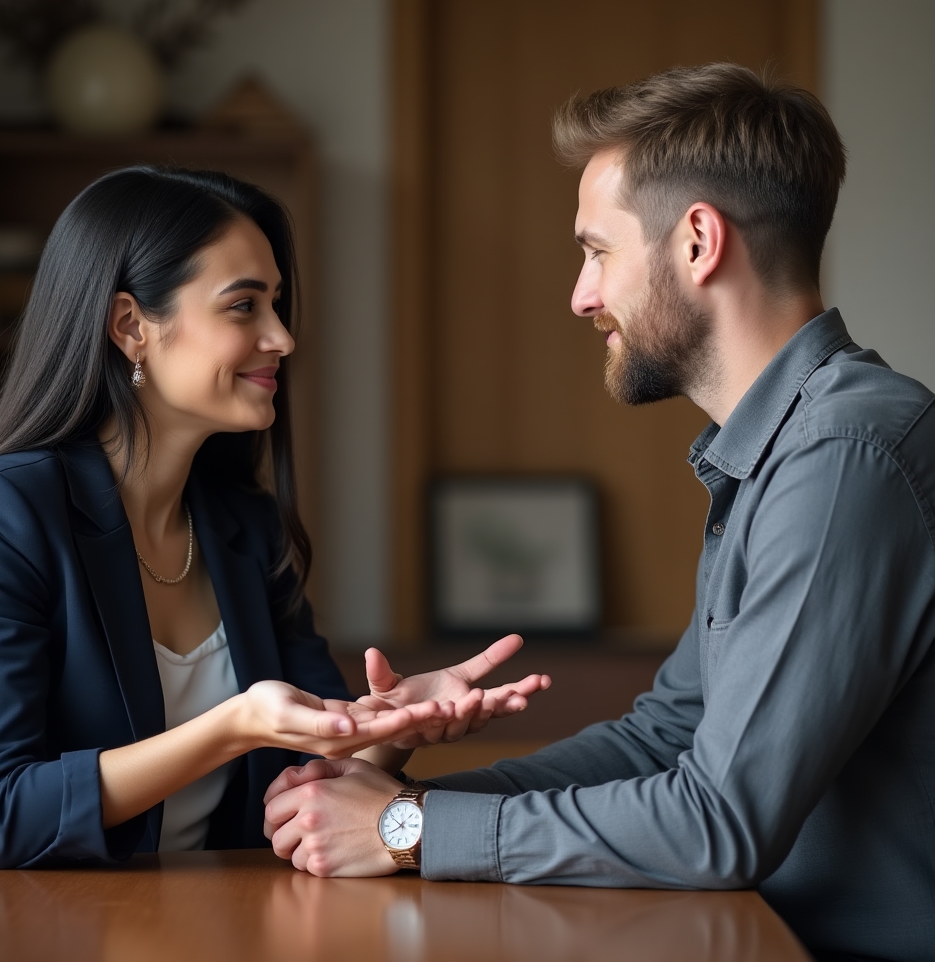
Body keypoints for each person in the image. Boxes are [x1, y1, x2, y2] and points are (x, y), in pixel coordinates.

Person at [261, 65, 935, 962]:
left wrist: (410, 829)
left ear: (698, 242)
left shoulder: (842, 457)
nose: (582, 294)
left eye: (597, 251)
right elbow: (667, 737)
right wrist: (395, 810)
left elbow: (718, 822)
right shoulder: (790, 449)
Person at [0, 166, 551, 924]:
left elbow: (305, 780)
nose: (281, 336)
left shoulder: (243, 526)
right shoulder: (2, 512)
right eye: (244, 306)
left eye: (276, 305)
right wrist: (231, 726)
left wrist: (393, 730)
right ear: (129, 326)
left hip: (189, 924)